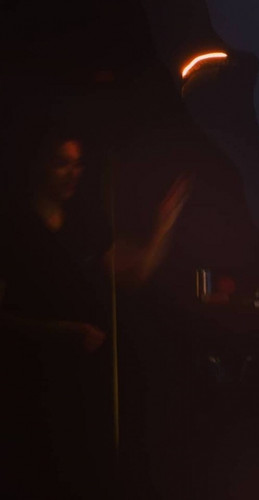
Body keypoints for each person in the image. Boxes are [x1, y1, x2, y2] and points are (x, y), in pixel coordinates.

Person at [0, 128, 191, 499]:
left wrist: (164, 224)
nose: (73, 173)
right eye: (62, 163)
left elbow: (132, 274)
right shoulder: (13, 229)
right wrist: (62, 332)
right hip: (25, 387)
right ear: (39, 166)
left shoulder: (82, 227)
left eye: (78, 164)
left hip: (79, 389)